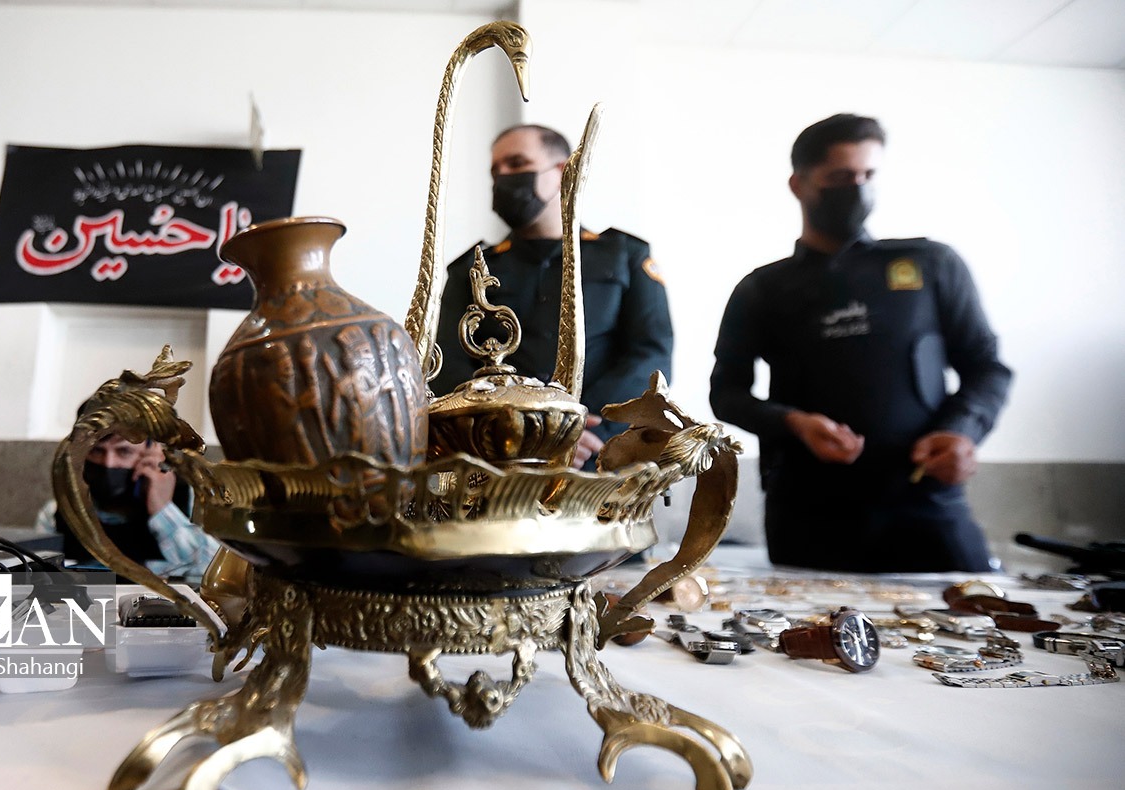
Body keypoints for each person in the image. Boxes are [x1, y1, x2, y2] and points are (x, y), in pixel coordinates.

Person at [709, 113, 1012, 573]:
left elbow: (987, 367)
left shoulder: (930, 264)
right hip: (809, 512)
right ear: (799, 184)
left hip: (926, 503)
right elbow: (726, 393)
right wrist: (793, 422)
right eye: (840, 177)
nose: (857, 188)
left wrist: (962, 431)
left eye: (868, 175)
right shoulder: (762, 288)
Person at [431, 124, 674, 469]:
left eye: (517, 164)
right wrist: (519, 432)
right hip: (501, 457)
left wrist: (578, 427)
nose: (503, 177)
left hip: (603, 453)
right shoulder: (472, 268)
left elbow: (650, 353)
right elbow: (447, 362)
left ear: (561, 171)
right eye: (496, 171)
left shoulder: (624, 256)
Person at [37, 434, 219, 581]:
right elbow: (39, 576)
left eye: (124, 451)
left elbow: (214, 572)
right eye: (96, 450)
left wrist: (162, 510)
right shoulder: (58, 512)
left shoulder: (192, 501)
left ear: (154, 452)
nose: (109, 463)